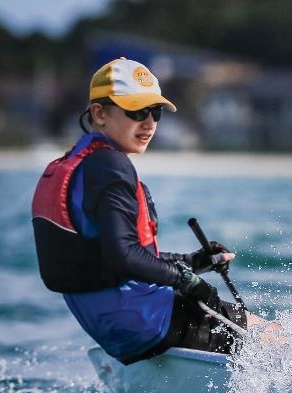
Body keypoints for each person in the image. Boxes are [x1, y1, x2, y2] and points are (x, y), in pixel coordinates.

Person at [32, 57, 262, 364]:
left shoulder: (78, 165)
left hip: (113, 330)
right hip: (148, 322)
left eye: (155, 111)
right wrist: (187, 281)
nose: (150, 122)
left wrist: (192, 262)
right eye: (137, 110)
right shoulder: (112, 166)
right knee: (274, 335)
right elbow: (124, 256)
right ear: (99, 113)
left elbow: (111, 257)